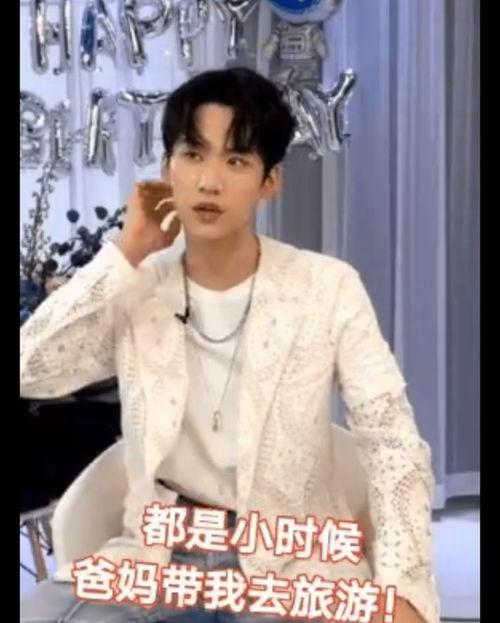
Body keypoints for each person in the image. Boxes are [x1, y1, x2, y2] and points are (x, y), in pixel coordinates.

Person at [20, 67, 438, 622]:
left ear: (269, 181)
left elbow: (391, 441)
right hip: (161, 556)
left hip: (292, 557)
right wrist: (125, 252)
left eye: (236, 160)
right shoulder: (138, 285)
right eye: (193, 155)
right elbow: (31, 369)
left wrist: (404, 586)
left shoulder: (327, 287)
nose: (209, 181)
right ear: (166, 169)